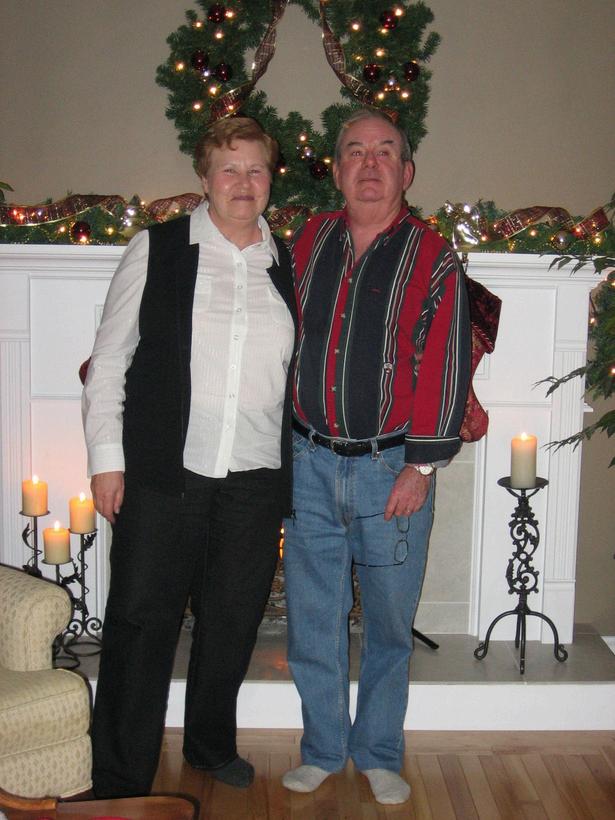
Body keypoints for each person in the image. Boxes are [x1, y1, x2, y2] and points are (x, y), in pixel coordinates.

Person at [82, 116, 297, 798]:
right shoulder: (158, 249)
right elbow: (109, 361)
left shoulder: (286, 263)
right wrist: (106, 460)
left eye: (256, 169)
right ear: (204, 178)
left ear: (271, 179)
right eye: (229, 168)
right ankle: (120, 771)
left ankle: (209, 745)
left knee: (231, 621)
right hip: (163, 470)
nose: (243, 182)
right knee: (141, 621)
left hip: (254, 475)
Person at [281, 109, 471, 805]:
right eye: (355, 152)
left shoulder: (434, 255)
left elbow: (447, 364)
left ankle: (380, 753)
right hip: (308, 463)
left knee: (389, 625)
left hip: (391, 470)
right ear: (336, 170)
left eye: (385, 152)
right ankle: (322, 749)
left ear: (406, 171)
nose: (369, 164)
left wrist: (421, 468)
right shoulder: (307, 242)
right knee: (313, 619)